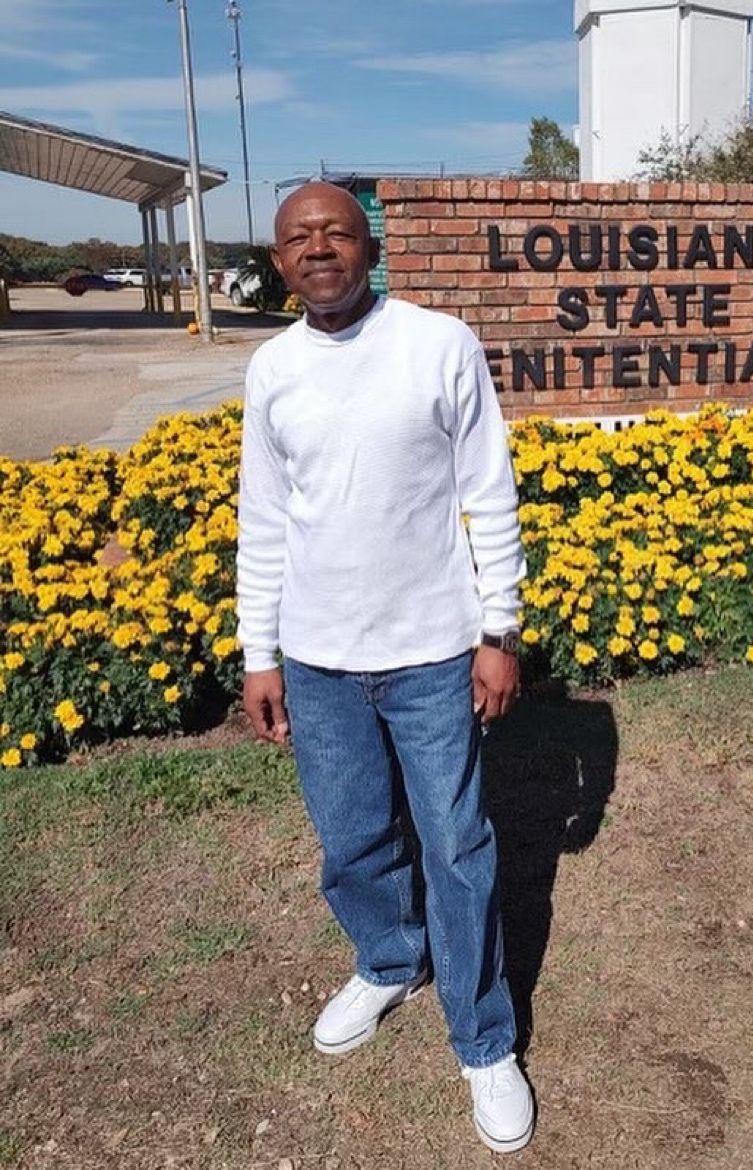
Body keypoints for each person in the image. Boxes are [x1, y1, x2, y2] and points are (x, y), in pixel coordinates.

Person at [235, 181, 533, 1155]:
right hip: (318, 663)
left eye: (335, 233)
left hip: (433, 653)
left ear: (369, 246)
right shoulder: (272, 369)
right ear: (278, 261)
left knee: (455, 846)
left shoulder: (438, 344)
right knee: (353, 838)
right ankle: (388, 959)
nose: (318, 249)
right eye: (297, 238)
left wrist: (500, 631)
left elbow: (489, 490)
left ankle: (484, 1041)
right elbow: (265, 522)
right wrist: (259, 656)